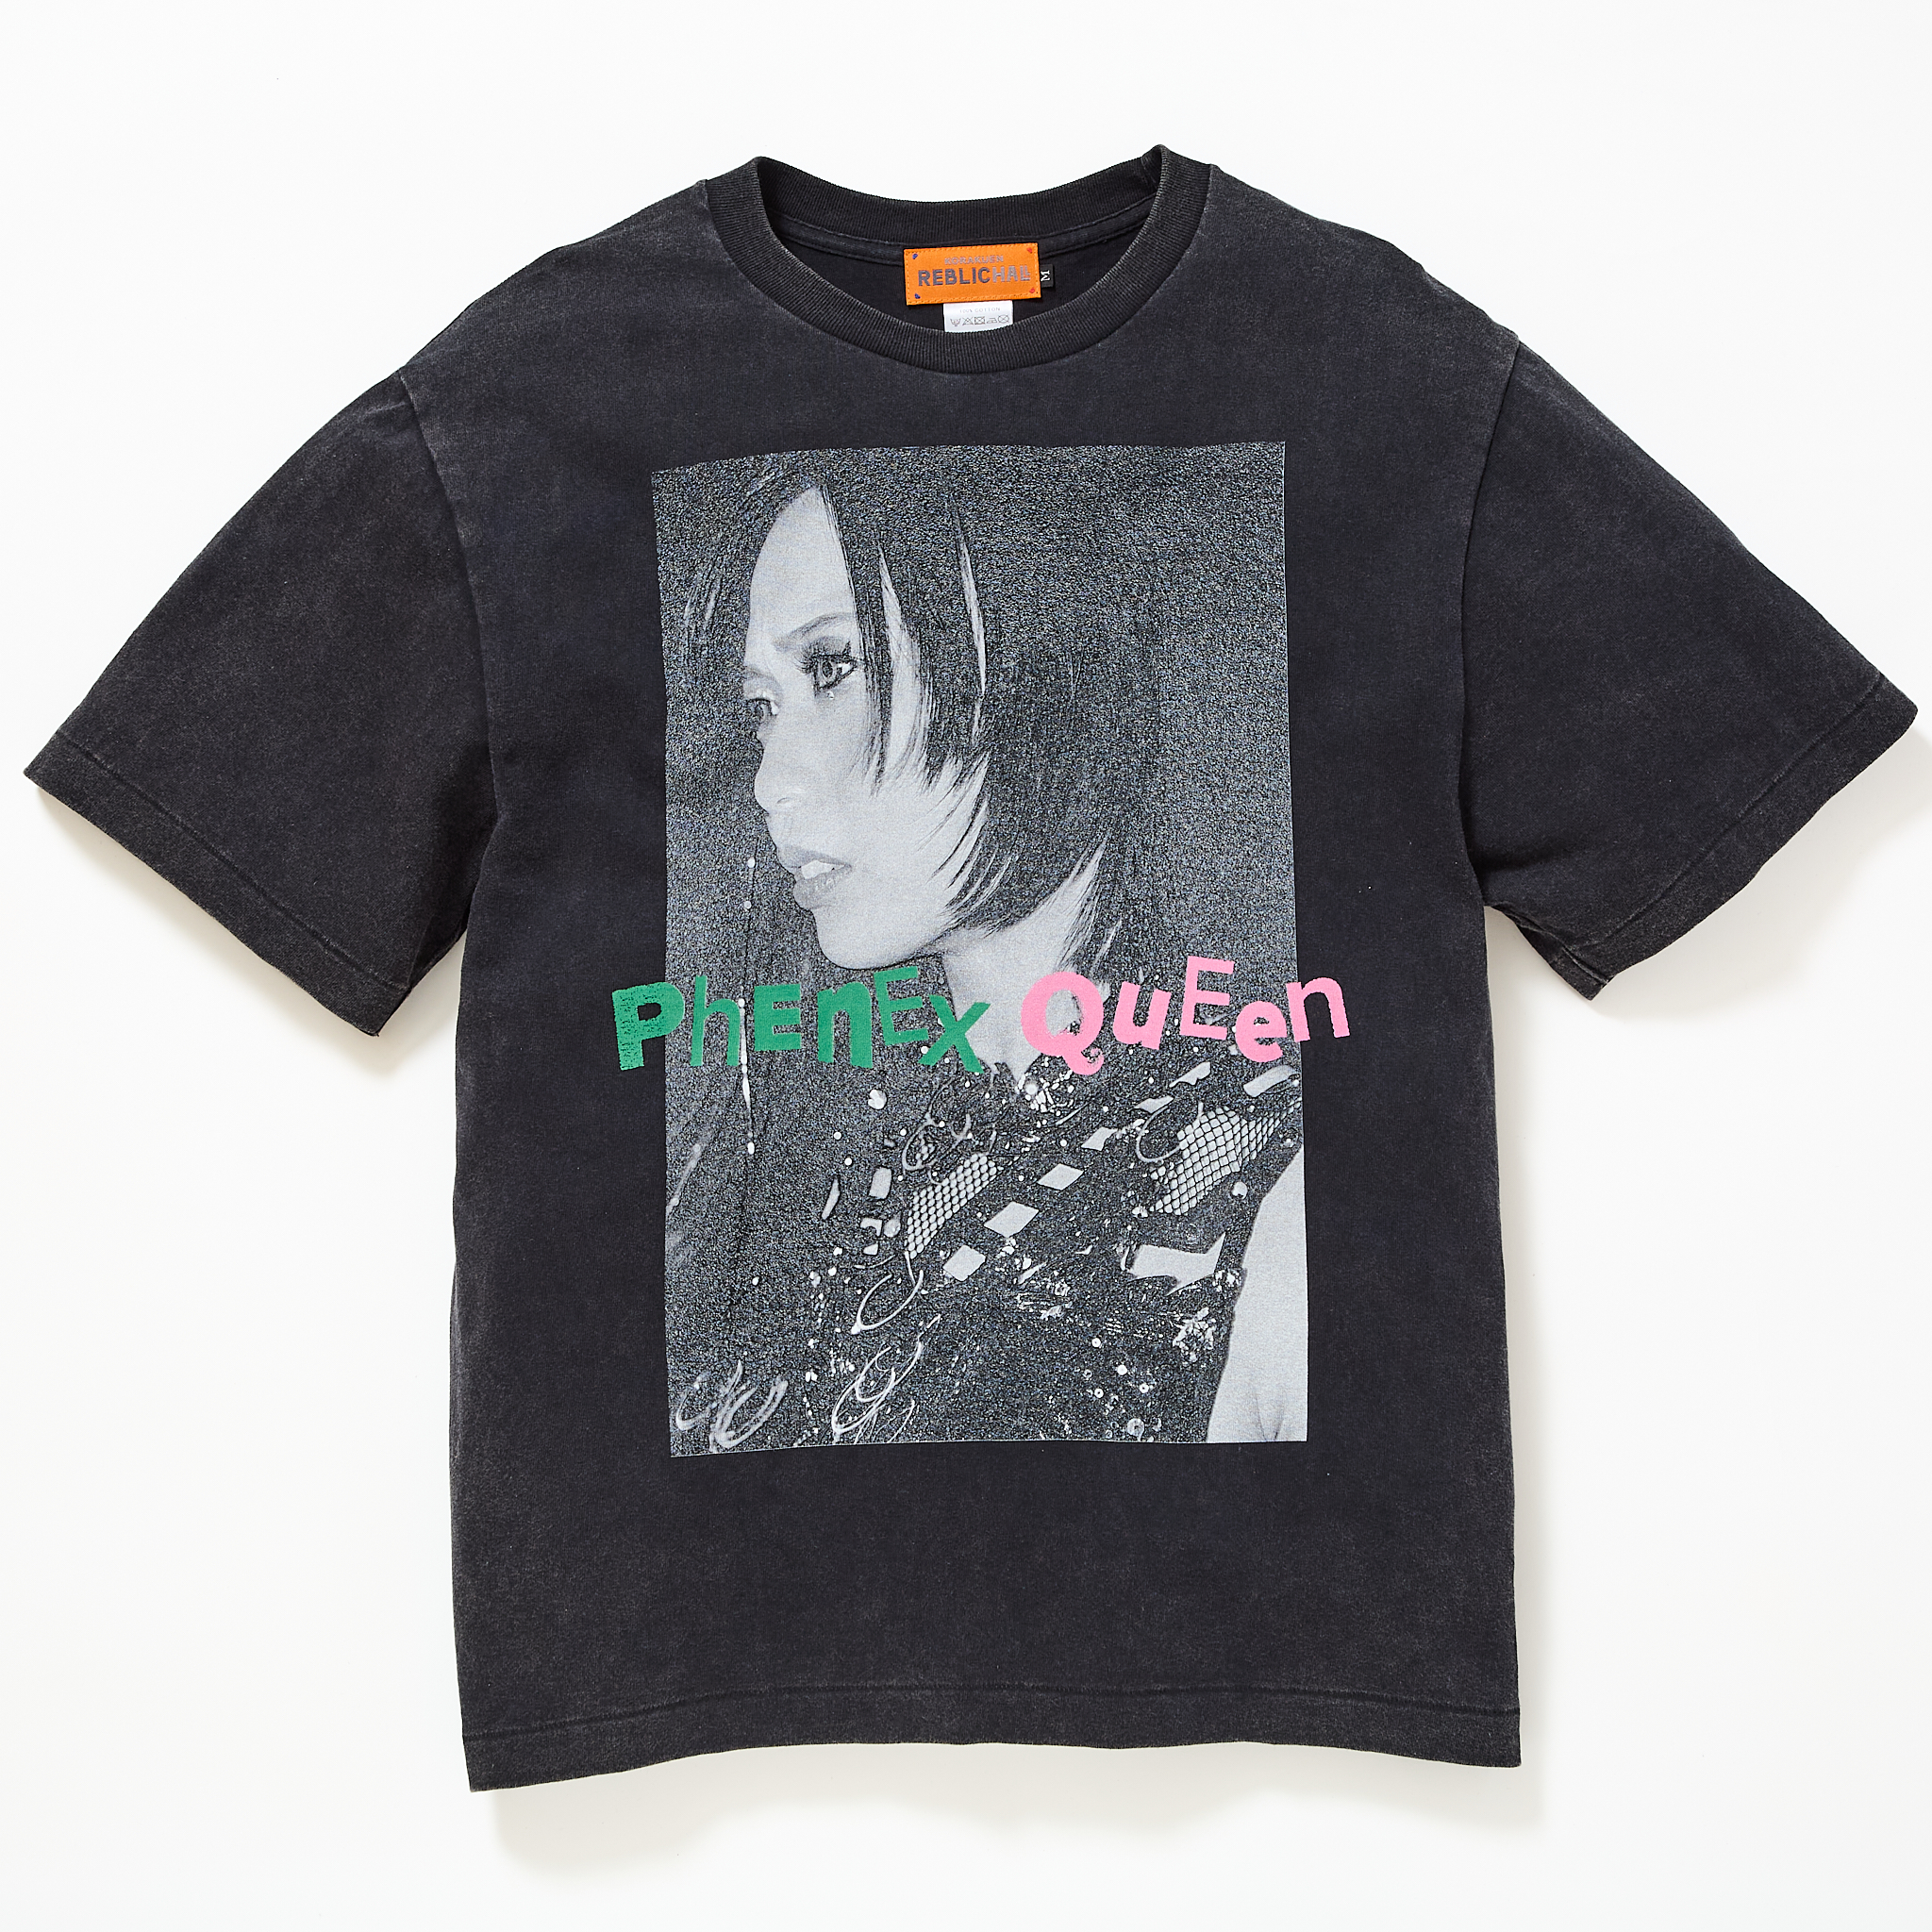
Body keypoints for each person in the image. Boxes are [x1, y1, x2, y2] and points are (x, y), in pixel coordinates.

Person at [665, 447, 1307, 1450]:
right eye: (761, 708)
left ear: (1037, 659)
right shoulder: (845, 1143)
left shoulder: (1275, 1193)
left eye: (830, 667)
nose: (768, 781)